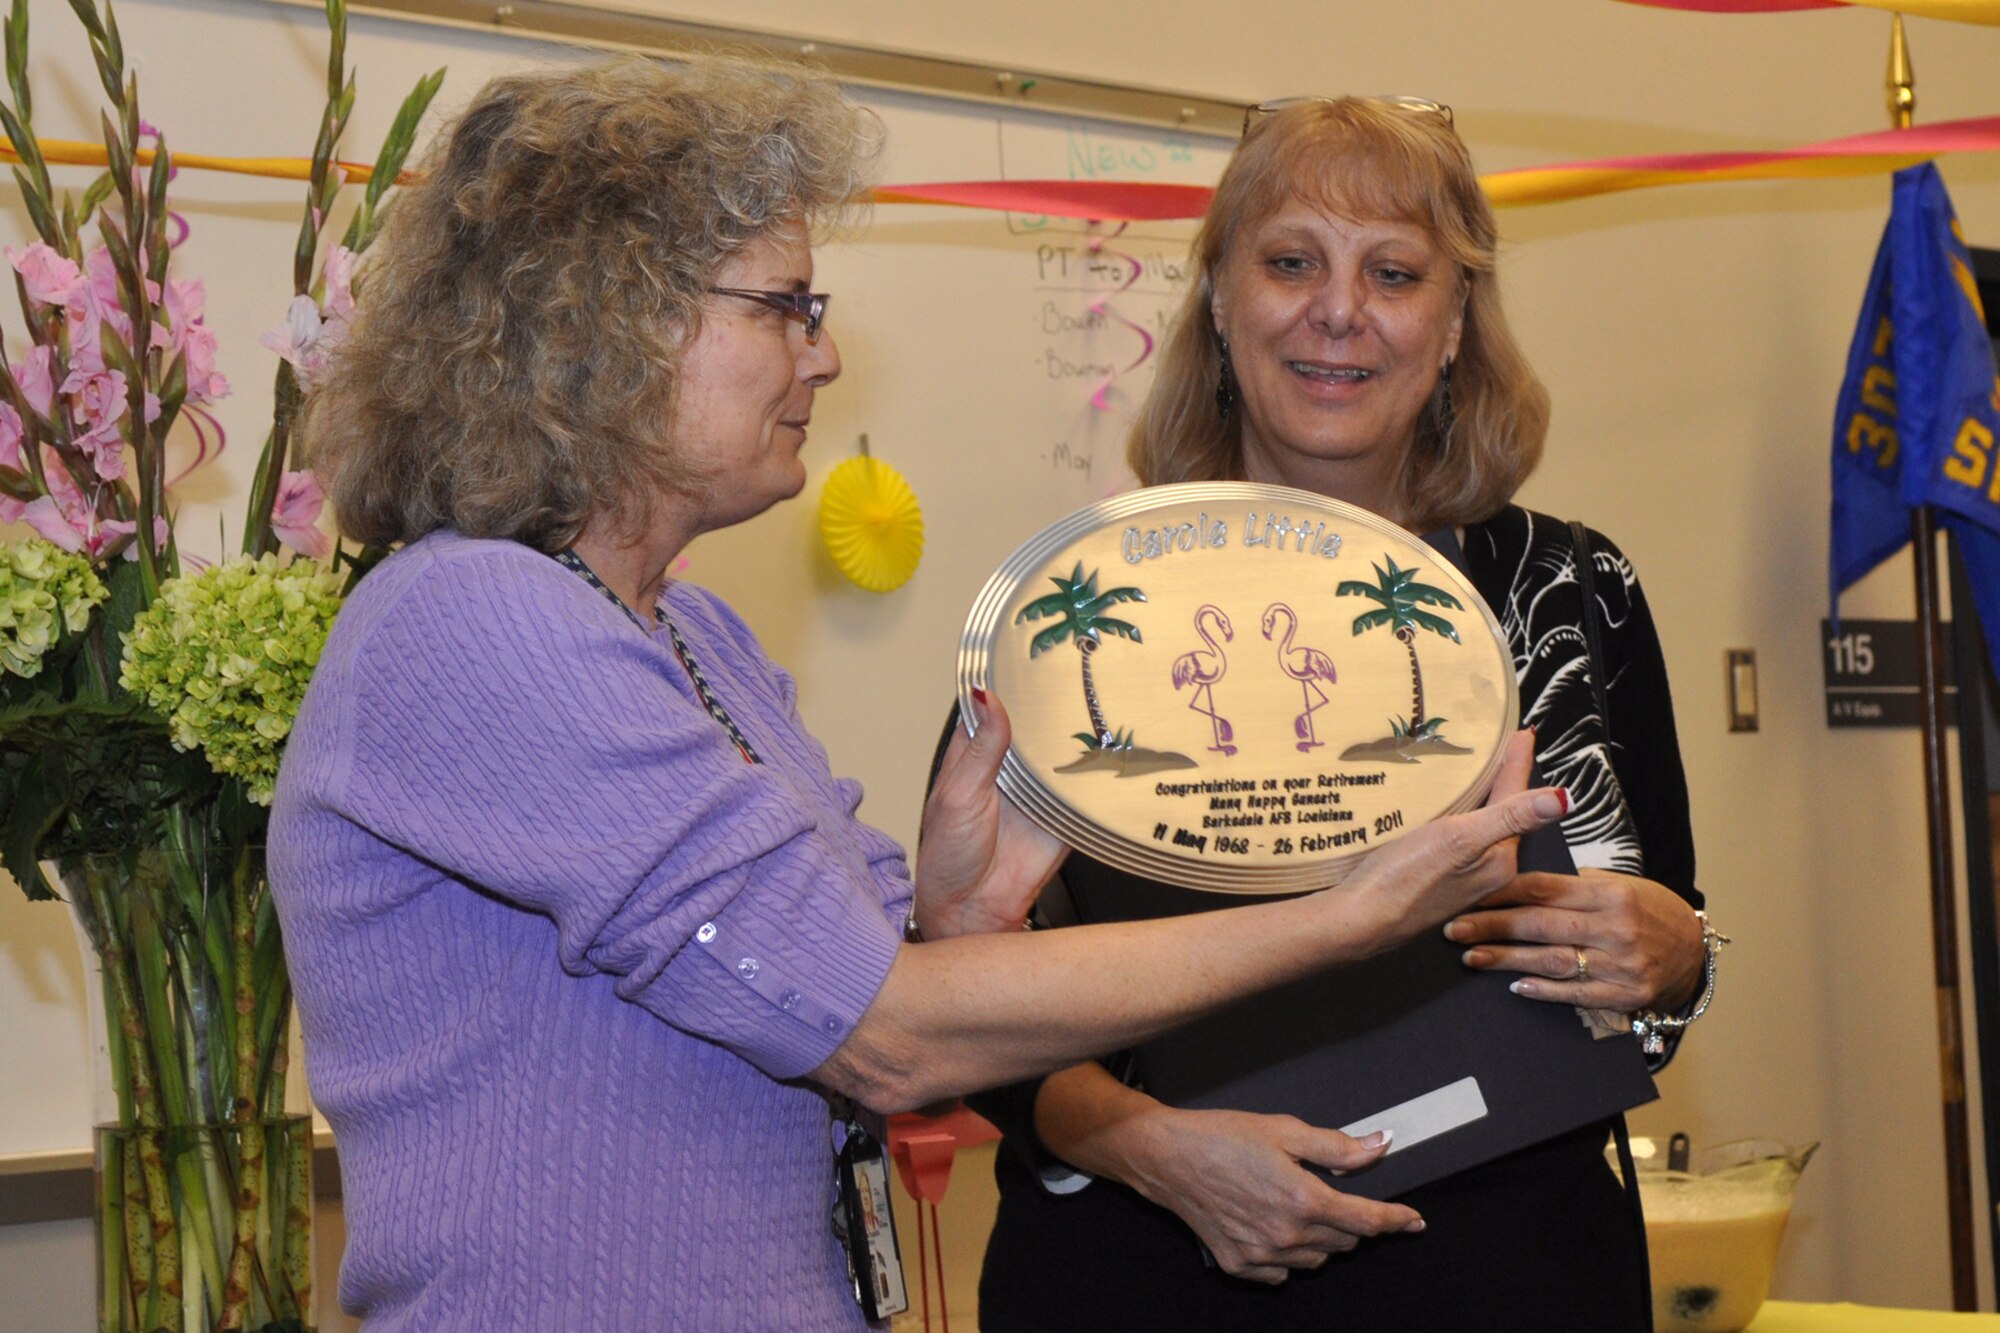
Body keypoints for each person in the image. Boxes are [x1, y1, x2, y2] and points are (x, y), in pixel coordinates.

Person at [266, 63, 1569, 1332]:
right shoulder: (475, 621)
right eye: (787, 306)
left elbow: (863, 992)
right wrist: (1351, 914)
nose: (823, 358)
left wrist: (955, 916)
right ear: (610, 321)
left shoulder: (695, 634)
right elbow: (885, 1042)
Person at [963, 96, 1715, 1333]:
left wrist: (1673, 951)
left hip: (1509, 1276)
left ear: (1456, 317)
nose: (1338, 311)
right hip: (1151, 1270)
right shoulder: (1075, 607)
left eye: (1395, 272)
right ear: (1217, 297)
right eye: (1290, 260)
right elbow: (958, 993)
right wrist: (1144, 1142)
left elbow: (1669, 939)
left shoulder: (1574, 592)